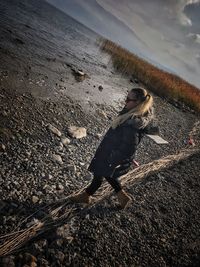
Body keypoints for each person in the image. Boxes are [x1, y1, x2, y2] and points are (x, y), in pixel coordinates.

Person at [71, 87, 154, 209]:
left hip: (112, 154)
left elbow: (130, 146)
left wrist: (112, 158)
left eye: (128, 99)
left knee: (102, 173)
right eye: (126, 97)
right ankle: (120, 197)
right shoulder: (131, 112)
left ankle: (86, 195)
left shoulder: (132, 123)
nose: (125, 101)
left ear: (138, 103)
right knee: (105, 174)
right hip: (110, 151)